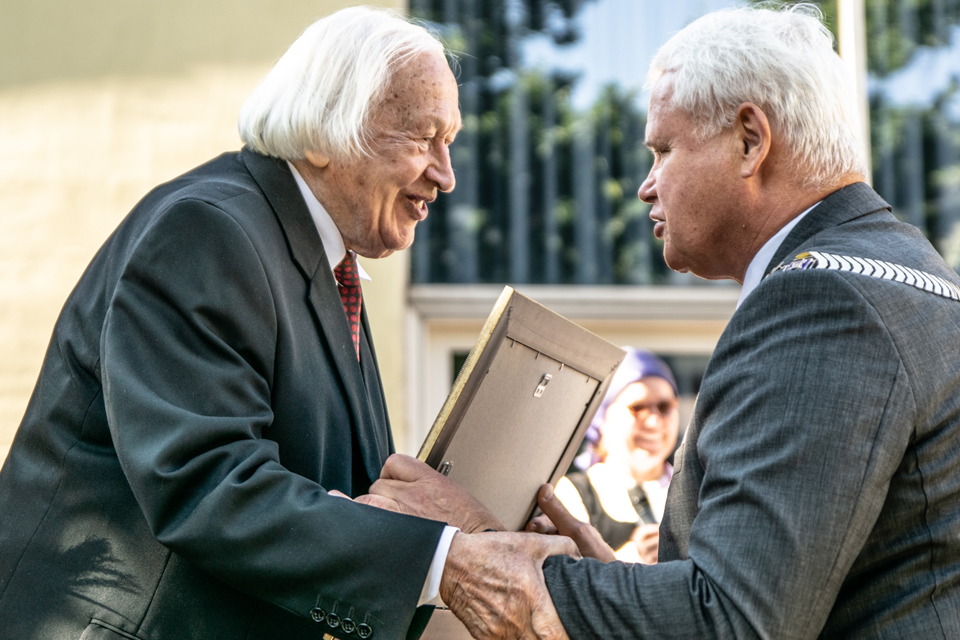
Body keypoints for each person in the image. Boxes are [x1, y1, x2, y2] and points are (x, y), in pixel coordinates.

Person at [397, 4, 960, 638]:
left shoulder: (822, 299)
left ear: (750, 140)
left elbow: (731, 622)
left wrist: (472, 551)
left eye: (663, 150)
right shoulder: (908, 270)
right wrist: (608, 579)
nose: (646, 186)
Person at [0, 7, 553, 640]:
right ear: (323, 134)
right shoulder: (209, 232)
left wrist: (478, 533)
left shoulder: (322, 260)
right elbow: (207, 484)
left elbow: (341, 494)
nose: (446, 175)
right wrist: (443, 562)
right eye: (423, 138)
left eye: (449, 143)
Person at [557, 348, 679, 564]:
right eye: (637, 407)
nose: (653, 421)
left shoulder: (699, 489)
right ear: (602, 416)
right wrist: (633, 558)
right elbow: (567, 576)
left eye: (664, 406)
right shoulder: (570, 495)